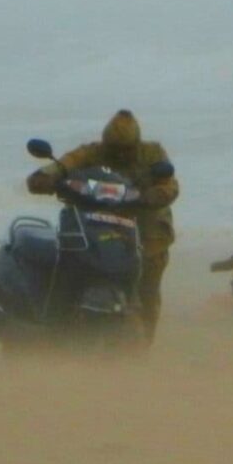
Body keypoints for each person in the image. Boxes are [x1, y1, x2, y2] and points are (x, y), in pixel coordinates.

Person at [26, 110, 178, 343]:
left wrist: (152, 196)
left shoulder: (153, 153)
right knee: (67, 260)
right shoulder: (93, 152)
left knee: (147, 291)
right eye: (113, 149)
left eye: (125, 150)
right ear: (105, 143)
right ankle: (56, 323)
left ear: (136, 145)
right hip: (98, 226)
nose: (118, 154)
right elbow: (67, 163)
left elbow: (169, 185)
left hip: (146, 233)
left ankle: (143, 346)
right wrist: (45, 176)